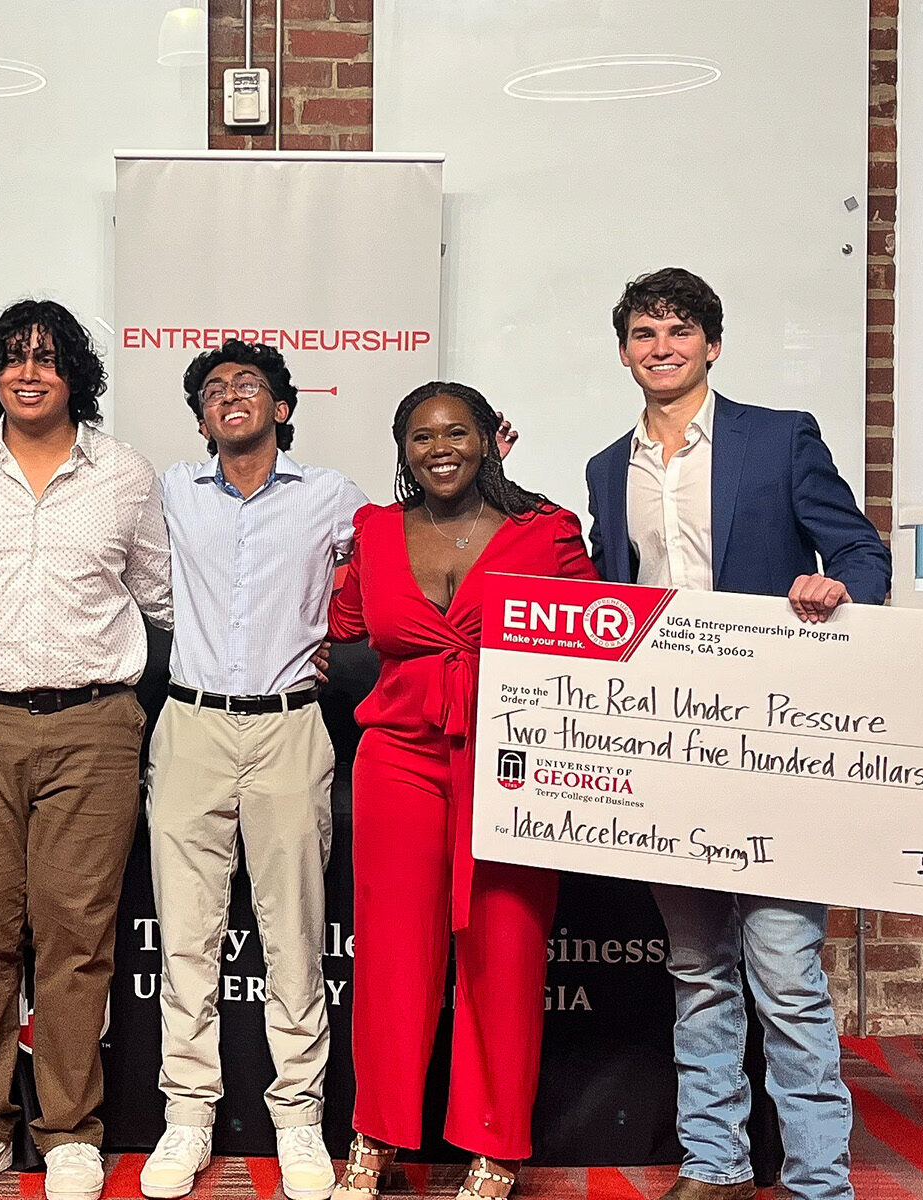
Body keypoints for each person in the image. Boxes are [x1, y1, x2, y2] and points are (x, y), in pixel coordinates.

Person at [583, 268, 888, 1200]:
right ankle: (713, 1166)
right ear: (625, 350)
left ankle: (816, 1182)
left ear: (712, 344)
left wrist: (839, 591)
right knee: (698, 968)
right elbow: (603, 599)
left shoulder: (779, 437)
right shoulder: (608, 468)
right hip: (667, 746)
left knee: (787, 971)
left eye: (678, 330)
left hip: (775, 739)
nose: (660, 346)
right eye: (643, 332)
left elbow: (864, 553)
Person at [0, 299, 173, 1200]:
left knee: (76, 933)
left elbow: (161, 597)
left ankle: (70, 1129)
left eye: (49, 359)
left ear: (76, 376)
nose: (30, 373)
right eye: (14, 358)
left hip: (97, 723)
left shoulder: (128, 476)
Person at [327, 382, 596, 1200]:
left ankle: (495, 1148)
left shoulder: (544, 530)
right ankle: (376, 1139)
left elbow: (599, 629)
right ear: (403, 450)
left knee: (504, 953)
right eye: (420, 437)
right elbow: (343, 625)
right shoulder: (374, 531)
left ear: (489, 440)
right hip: (399, 759)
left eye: (456, 432)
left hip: (510, 764)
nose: (439, 448)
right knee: (391, 957)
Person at [139, 340, 363, 1200]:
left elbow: (411, 536)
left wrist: (493, 467)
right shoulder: (168, 492)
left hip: (290, 730)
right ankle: (186, 1118)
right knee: (185, 936)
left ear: (282, 407)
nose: (232, 397)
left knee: (295, 935)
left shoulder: (332, 496)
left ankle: (299, 1120)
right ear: (201, 417)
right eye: (215, 390)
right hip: (189, 725)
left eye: (250, 386)